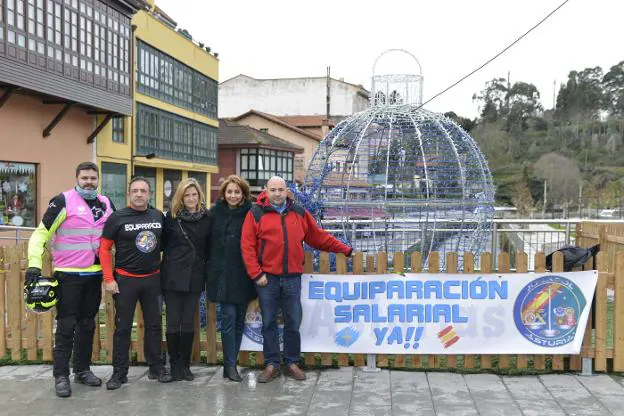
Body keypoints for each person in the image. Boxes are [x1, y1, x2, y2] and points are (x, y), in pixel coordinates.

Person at [241, 176, 352, 383]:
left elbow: (318, 237)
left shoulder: (298, 212)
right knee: (268, 323)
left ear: (287, 190)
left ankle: (292, 362)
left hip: (292, 277)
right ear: (266, 190)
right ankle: (272, 364)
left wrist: (344, 249)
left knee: (293, 321)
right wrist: (257, 274)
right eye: (273, 189)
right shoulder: (255, 213)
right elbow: (247, 246)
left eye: (281, 189)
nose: (277, 193)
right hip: (267, 279)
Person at [25, 161, 115, 398]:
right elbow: (40, 235)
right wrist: (34, 265)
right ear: (77, 178)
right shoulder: (63, 201)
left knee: (87, 325)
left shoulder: (106, 204)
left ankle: (82, 370)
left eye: (93, 178)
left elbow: (116, 235)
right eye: (84, 178)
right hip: (68, 276)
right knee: (67, 326)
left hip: (94, 275)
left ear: (98, 180)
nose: (89, 182)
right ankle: (61, 376)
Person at [99, 177, 172, 390]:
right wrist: (109, 279)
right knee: (122, 329)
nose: (139, 194)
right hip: (125, 281)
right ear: (129, 193)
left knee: (154, 326)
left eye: (143, 191)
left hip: (153, 280)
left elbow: (165, 245)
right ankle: (119, 373)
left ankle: (156, 368)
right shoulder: (117, 218)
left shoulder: (158, 216)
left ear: (149, 194)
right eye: (135, 191)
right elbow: (104, 249)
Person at [206, 175, 255, 382]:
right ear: (224, 194)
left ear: (243, 194)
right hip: (222, 275)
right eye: (229, 192)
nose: (233, 195)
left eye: (237, 192)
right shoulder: (214, 213)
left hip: (243, 275)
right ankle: (230, 366)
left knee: (238, 323)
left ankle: (230, 364)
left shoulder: (251, 214)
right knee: (227, 320)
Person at [161, 178, 210, 381]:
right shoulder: (171, 219)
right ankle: (174, 364)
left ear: (199, 195)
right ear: (180, 197)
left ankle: (185, 364)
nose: (191, 198)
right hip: (173, 276)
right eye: (187, 195)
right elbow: (162, 244)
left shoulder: (207, 218)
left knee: (188, 323)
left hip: (194, 276)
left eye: (194, 194)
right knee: (173, 323)